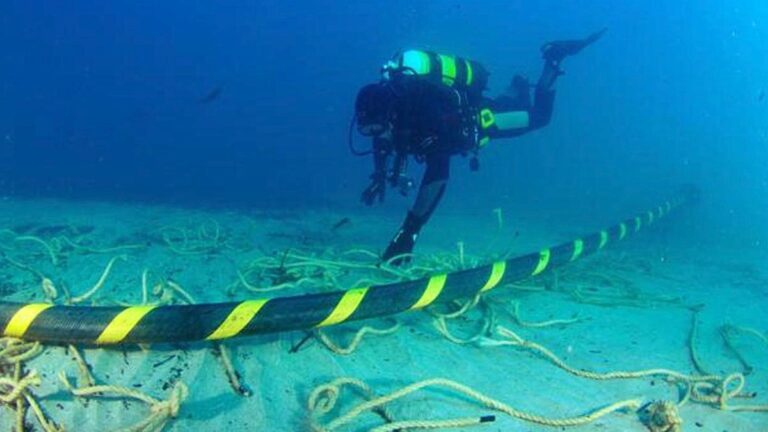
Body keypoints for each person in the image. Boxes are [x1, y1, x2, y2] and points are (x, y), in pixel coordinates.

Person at [352, 30, 605, 264]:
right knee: (503, 105)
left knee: (539, 117)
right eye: (368, 131)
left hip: (482, 121)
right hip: (465, 113)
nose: (377, 136)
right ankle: (516, 89)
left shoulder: (425, 118)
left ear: (391, 115)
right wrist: (379, 175)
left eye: (377, 128)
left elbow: (437, 178)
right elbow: (382, 142)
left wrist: (409, 232)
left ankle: (554, 59)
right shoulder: (390, 116)